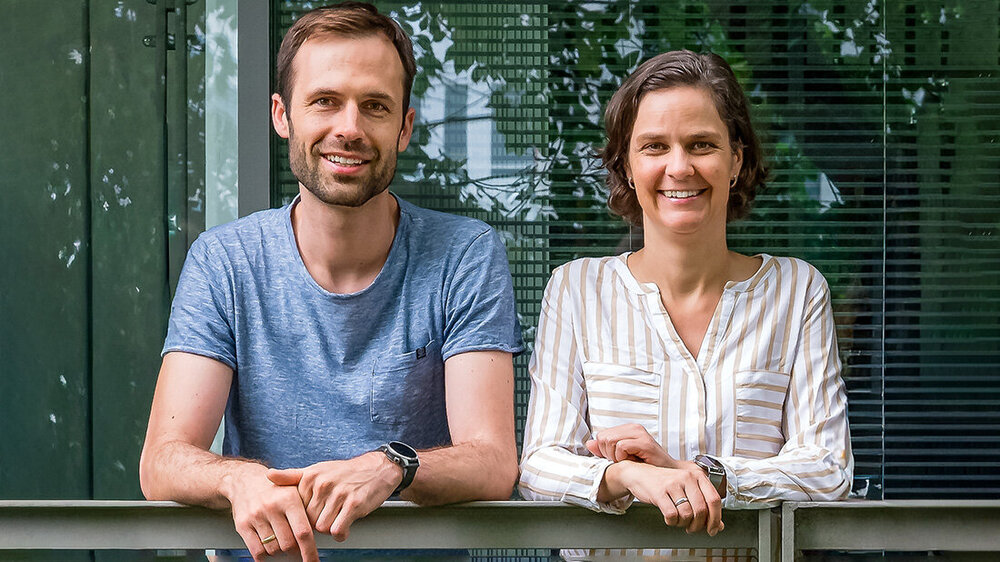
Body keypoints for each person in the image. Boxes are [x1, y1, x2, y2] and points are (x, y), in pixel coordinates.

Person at [139, 3, 523, 561]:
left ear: (405, 128)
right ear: (281, 115)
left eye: (375, 106)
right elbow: (162, 461)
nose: (349, 127)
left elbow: (493, 464)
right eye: (325, 101)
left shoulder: (464, 255)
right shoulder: (225, 261)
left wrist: (394, 463)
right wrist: (238, 480)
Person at [518, 50, 853, 560]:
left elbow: (828, 472)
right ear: (626, 165)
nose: (679, 167)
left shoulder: (797, 290)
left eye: (702, 144)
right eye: (654, 146)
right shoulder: (575, 290)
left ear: (736, 160)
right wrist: (624, 474)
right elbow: (540, 467)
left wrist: (704, 475)